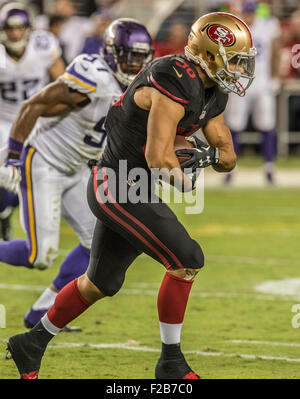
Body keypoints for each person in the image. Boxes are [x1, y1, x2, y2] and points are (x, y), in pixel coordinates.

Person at [7, 12, 256, 379]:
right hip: (117, 184)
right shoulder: (173, 76)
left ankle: (30, 344)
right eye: (233, 58)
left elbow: (228, 155)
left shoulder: (211, 90)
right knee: (187, 258)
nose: (238, 68)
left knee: (100, 284)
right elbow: (158, 157)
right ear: (208, 54)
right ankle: (170, 362)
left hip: (136, 186)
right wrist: (187, 178)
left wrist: (208, 156)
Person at [0, 18, 153, 331]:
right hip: (44, 160)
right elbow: (34, 104)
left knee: (96, 242)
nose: (136, 63)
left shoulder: (139, 85)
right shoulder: (92, 74)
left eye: (141, 57)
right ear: (112, 52)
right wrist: (13, 156)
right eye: (130, 56)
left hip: (77, 167)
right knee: (38, 256)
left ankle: (40, 312)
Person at [0, 2, 65, 240]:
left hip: (37, 119)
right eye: (10, 29)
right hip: (4, 121)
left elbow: (64, 82)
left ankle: (7, 210)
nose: (15, 34)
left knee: (35, 174)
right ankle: (5, 210)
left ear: (28, 28)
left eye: (19, 28)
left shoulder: (42, 45)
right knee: (8, 174)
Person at [224, 1, 281, 184]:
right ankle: (231, 169)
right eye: (246, 13)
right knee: (235, 125)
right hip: (240, 84)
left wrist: (275, 77)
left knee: (266, 124)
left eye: (251, 13)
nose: (249, 16)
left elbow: (276, 52)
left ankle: (269, 167)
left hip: (262, 83)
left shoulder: (269, 26)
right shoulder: (236, 28)